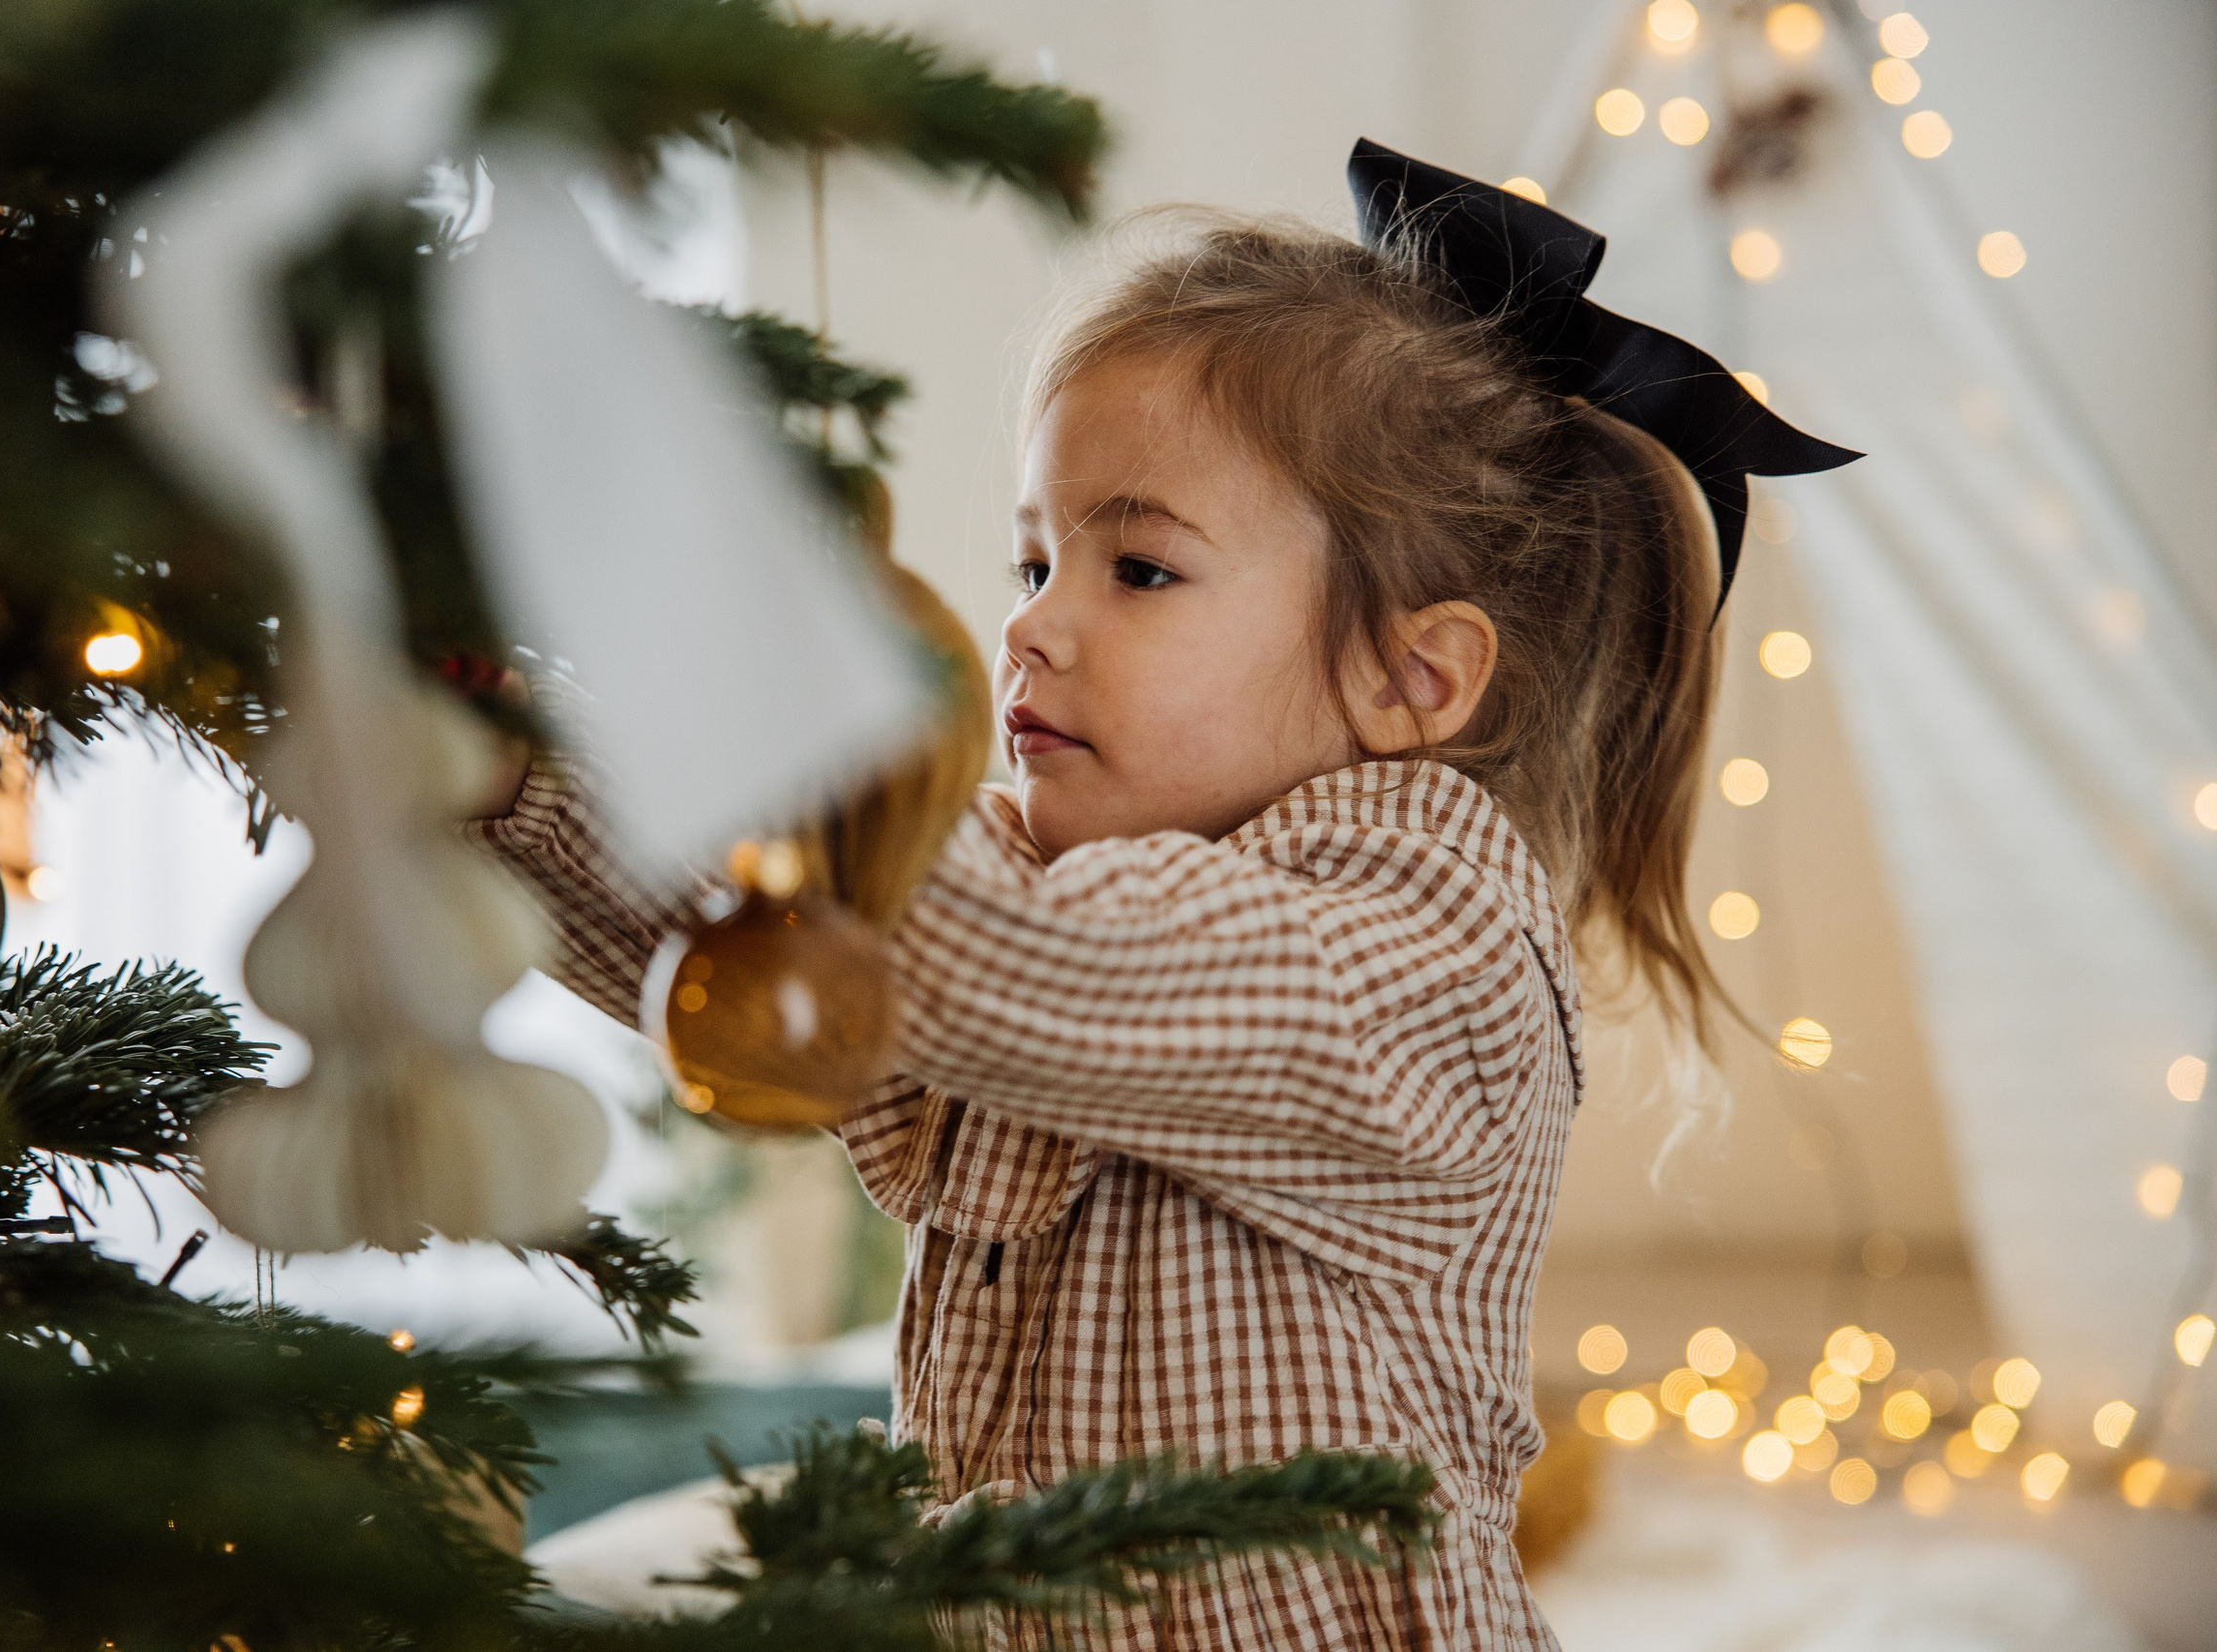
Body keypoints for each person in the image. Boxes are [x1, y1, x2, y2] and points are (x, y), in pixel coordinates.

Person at [467, 144, 1857, 1650]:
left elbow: (1055, 966)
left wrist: (809, 737)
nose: (1031, 628)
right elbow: (766, 949)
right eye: (1028, 559)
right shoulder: (1033, 898)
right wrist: (495, 771)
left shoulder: (1432, 927)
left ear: (1412, 676)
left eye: (1136, 570)